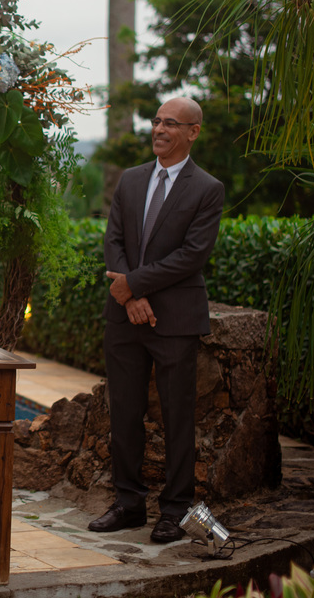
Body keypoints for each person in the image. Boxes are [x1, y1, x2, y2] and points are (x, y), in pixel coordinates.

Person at [88, 96, 224, 544]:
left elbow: (191, 256)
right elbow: (114, 240)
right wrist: (128, 296)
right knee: (123, 414)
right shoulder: (130, 180)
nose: (159, 129)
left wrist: (136, 286)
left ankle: (175, 511)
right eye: (157, 121)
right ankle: (128, 505)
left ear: (193, 132)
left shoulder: (207, 189)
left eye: (171, 123)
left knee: (177, 418)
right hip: (125, 317)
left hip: (175, 319)